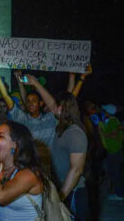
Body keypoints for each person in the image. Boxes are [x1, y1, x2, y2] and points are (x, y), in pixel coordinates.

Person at [51, 92, 88, 220]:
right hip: (61, 188)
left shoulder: (75, 133)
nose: (52, 108)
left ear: (61, 108)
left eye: (55, 106)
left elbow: (76, 170)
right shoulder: (61, 129)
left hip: (73, 192)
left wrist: (61, 197)